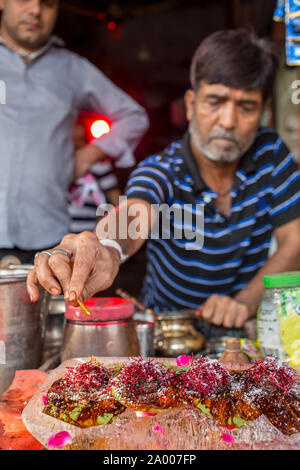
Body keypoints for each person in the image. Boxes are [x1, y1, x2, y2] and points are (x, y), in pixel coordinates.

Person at [28, 29, 300, 335]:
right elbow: (134, 213)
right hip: (166, 338)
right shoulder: (161, 171)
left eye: (246, 107)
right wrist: (105, 248)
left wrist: (245, 302)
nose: (228, 121)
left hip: (242, 333)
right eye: (215, 101)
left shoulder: (271, 153)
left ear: (263, 112)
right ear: (190, 104)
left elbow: (295, 240)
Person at [0, 0, 148, 264]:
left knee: (52, 303)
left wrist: (89, 154)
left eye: (47, 4)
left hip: (46, 235)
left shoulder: (72, 69)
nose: (35, 10)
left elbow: (134, 117)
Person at [68, 119, 122, 234]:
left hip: (89, 232)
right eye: (72, 140)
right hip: (56, 234)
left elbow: (116, 198)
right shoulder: (55, 166)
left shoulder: (99, 166)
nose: (76, 145)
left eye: (80, 140)